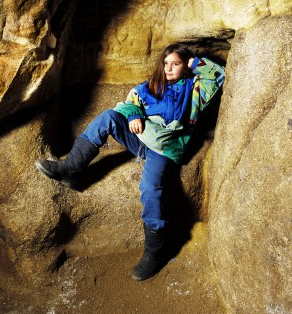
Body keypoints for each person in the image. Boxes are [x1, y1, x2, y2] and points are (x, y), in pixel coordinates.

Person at [36, 43, 225, 281]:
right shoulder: (151, 86)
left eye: (175, 64)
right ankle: (71, 167)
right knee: (109, 117)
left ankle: (154, 253)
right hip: (139, 139)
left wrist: (189, 63)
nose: (168, 68)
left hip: (164, 149)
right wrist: (135, 115)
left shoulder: (195, 89)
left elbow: (218, 74)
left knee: (150, 188)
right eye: (165, 63)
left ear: (185, 66)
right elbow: (129, 103)